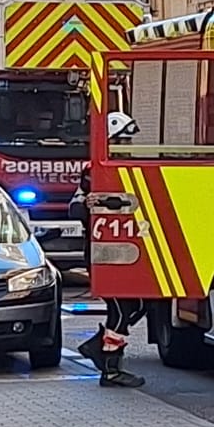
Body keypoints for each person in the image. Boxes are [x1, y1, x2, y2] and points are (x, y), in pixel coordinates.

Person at [71, 112, 146, 388]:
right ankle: (111, 369)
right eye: (124, 139)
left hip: (125, 253)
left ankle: (96, 346)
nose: (128, 144)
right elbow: (75, 207)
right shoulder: (95, 171)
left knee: (137, 305)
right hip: (103, 254)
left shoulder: (129, 167)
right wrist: (91, 204)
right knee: (122, 309)